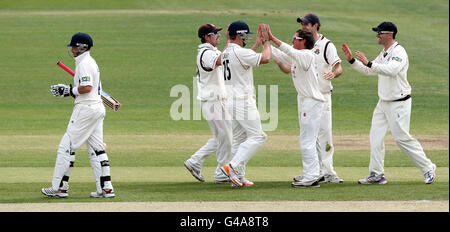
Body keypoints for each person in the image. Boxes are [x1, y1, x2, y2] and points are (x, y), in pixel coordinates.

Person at [341, 22, 436, 184]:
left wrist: (369, 63)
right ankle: (377, 174)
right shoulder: (384, 53)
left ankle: (428, 167)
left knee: (401, 139)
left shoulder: (399, 51)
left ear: (390, 35)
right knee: (375, 138)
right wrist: (352, 61)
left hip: (399, 102)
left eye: (380, 33)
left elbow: (392, 70)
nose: (377, 35)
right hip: (383, 103)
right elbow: (370, 70)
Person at [42, 32, 115, 198]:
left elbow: (87, 87)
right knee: (97, 149)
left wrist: (68, 90)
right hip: (97, 108)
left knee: (66, 147)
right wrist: (71, 91)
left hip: (86, 110)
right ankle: (106, 188)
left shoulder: (84, 64)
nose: (72, 49)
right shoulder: (91, 62)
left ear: (82, 47)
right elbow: (92, 89)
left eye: (74, 46)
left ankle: (58, 187)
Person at [269, 27, 325, 188]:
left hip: (311, 102)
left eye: (295, 38)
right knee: (311, 140)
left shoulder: (306, 55)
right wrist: (265, 42)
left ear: (304, 42)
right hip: (306, 101)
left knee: (307, 141)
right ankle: (314, 172)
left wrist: (273, 38)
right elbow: (280, 54)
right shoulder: (298, 56)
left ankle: (311, 176)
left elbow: (288, 50)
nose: (292, 41)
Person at [291, 13, 344, 183]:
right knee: (308, 135)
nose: (303, 26)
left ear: (315, 25)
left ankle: (328, 172)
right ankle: (312, 172)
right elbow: (288, 67)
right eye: (302, 23)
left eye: (306, 24)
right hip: (305, 97)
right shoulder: (300, 43)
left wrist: (333, 74)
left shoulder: (326, 45)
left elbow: (339, 67)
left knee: (324, 134)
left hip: (323, 95)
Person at [220, 21, 271, 187]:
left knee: (241, 139)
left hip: (231, 101)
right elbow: (266, 58)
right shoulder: (239, 52)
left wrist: (256, 44)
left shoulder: (228, 52)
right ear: (240, 35)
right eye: (245, 35)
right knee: (258, 136)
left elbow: (244, 58)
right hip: (243, 101)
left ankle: (238, 178)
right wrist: (266, 42)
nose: (246, 38)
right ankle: (232, 167)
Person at [184, 24, 233, 184]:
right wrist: (229, 42)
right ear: (206, 37)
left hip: (214, 101)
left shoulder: (210, 51)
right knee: (226, 137)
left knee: (221, 137)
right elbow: (220, 60)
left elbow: (224, 55)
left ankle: (195, 162)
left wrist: (229, 40)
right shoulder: (206, 53)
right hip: (213, 102)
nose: (218, 36)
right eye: (215, 34)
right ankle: (222, 173)